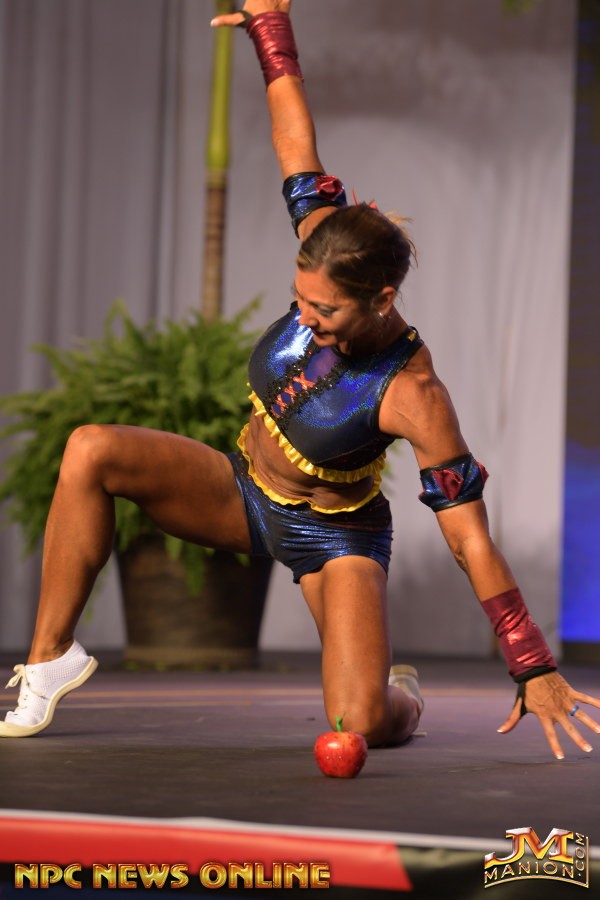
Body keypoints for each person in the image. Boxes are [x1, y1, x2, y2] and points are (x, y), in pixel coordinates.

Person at [1, 0, 599, 759]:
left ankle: (402, 697)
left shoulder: (414, 394)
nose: (307, 318)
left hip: (335, 537)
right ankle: (50, 659)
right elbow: (294, 136)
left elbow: (469, 541)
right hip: (242, 491)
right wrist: (269, 28)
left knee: (361, 724)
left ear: (381, 299)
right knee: (91, 448)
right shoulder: (325, 236)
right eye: (300, 300)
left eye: (326, 310)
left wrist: (530, 660)